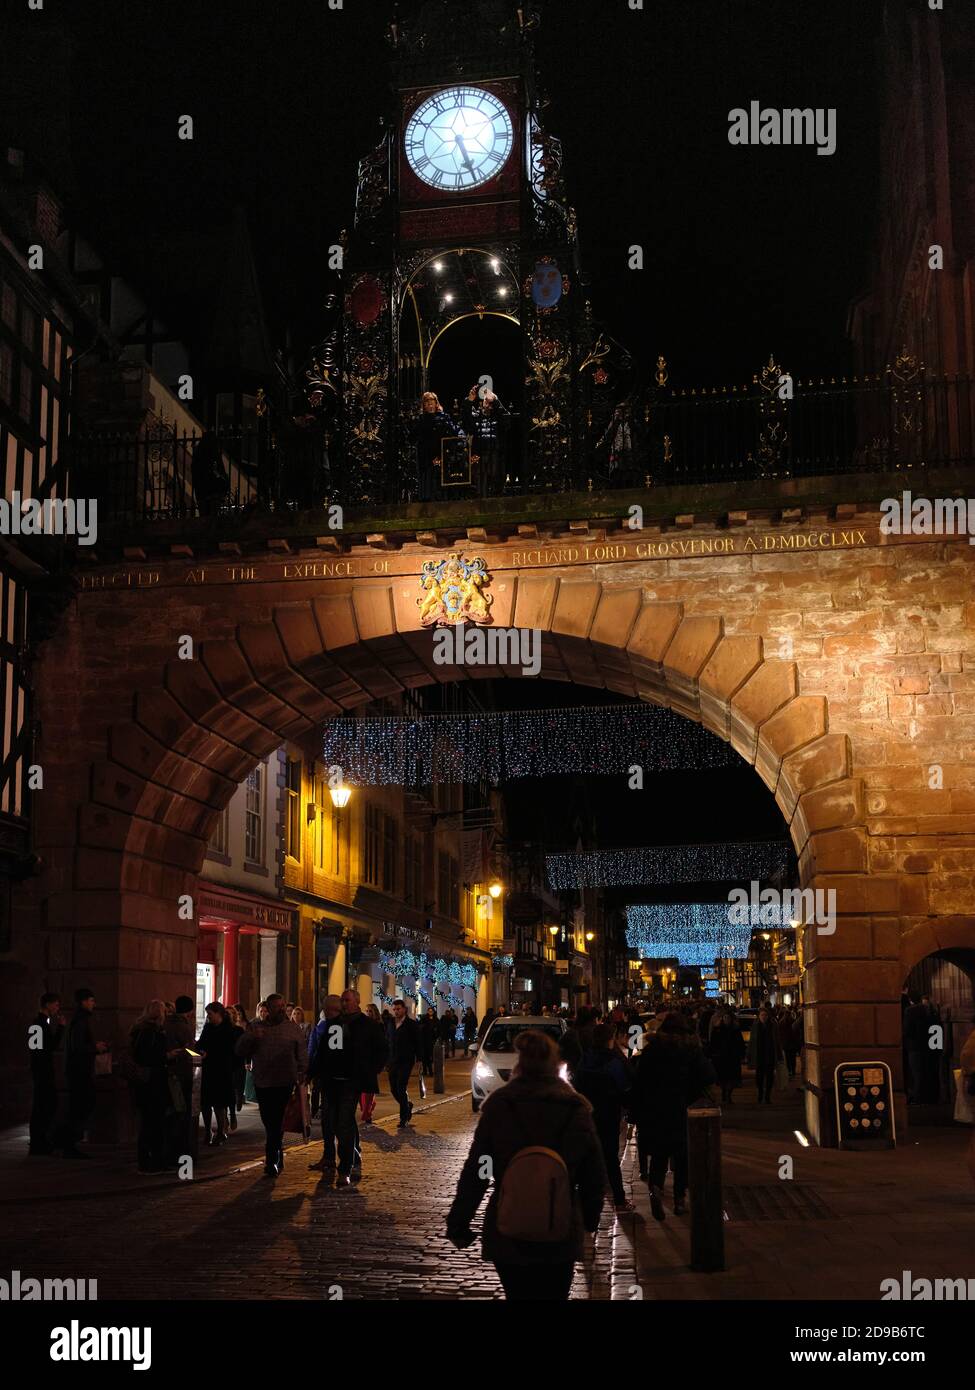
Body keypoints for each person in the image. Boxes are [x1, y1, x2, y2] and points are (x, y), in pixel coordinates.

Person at [447, 1030, 607, 1301]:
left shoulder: (499, 1106)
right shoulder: (574, 1108)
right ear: (556, 1064)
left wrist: (459, 1222)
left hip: (509, 1224)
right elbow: (594, 1175)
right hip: (560, 1226)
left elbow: (478, 1170)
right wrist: (589, 1219)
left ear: (519, 1064)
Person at [633, 1012, 715, 1219]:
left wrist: (639, 1108)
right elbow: (708, 1076)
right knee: (682, 1158)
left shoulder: (652, 1051)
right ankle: (679, 1199)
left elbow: (640, 1081)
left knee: (659, 1155)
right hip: (683, 1111)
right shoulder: (690, 1050)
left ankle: (656, 1190)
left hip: (657, 1111)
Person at [235, 993, 305, 1178]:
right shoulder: (255, 1027)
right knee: (269, 1121)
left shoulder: (292, 1029)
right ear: (269, 1008)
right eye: (277, 1007)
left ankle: (271, 1159)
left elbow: (302, 1054)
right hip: (263, 1082)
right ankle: (277, 1152)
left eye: (283, 1006)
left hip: (285, 1082)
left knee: (278, 1121)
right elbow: (240, 1050)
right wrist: (250, 1037)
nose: (281, 1009)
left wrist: (303, 1073)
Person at [575, 1023, 635, 1213]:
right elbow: (626, 1088)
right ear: (611, 1039)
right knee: (610, 1157)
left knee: (587, 1155)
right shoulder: (614, 1062)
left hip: (588, 1114)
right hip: (609, 1114)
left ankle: (584, 1198)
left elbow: (576, 1085)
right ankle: (618, 1199)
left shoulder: (585, 1059)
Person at [59, 988, 109, 1159]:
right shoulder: (80, 1021)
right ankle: (68, 1143)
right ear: (84, 1002)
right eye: (91, 1000)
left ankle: (68, 1142)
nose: (94, 1004)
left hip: (78, 1070)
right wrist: (95, 1048)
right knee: (81, 1106)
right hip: (79, 1071)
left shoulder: (79, 1020)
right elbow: (78, 1047)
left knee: (80, 1105)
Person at [129, 1000, 173, 1173]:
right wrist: (167, 1055)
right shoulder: (150, 1031)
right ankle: (153, 1162)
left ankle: (147, 1161)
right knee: (154, 1123)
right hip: (153, 1083)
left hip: (146, 1083)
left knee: (149, 1123)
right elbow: (147, 1056)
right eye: (164, 1011)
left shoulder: (140, 1029)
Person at [307, 995, 346, 1175]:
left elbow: (328, 1055)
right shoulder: (341, 1024)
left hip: (334, 1081)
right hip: (339, 1080)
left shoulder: (335, 1026)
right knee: (335, 1121)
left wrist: (311, 1073)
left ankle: (335, 1157)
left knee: (332, 1121)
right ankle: (336, 1155)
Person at [410, 391, 464, 502]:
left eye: (432, 401)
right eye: (427, 402)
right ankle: (425, 499)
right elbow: (412, 437)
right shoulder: (421, 419)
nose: (429, 404)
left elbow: (454, 432)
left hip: (441, 453)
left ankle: (441, 498)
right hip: (425, 454)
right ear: (424, 405)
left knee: (439, 477)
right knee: (426, 477)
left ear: (436, 403)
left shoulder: (443, 417)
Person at [197, 1002, 237, 1145]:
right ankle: (208, 1130)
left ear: (218, 1014)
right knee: (206, 1103)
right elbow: (200, 1043)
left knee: (219, 1103)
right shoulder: (208, 1028)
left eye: (210, 1014)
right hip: (208, 1069)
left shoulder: (229, 1030)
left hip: (222, 1070)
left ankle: (221, 1131)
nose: (208, 1017)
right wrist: (201, 1051)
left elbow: (230, 1050)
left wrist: (211, 1052)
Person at [28, 992, 63, 1156]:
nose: (57, 1007)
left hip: (39, 1071)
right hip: (43, 1072)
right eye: (55, 1004)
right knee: (45, 1106)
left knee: (41, 1106)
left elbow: (35, 1050)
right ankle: (39, 1141)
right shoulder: (41, 1025)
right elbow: (50, 1047)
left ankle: (38, 1141)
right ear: (47, 1005)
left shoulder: (37, 1024)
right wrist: (61, 1028)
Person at [163, 994, 196, 1161]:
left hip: (166, 1072)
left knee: (169, 1112)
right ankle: (180, 1153)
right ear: (190, 1011)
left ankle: (168, 1149)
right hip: (181, 1074)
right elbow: (189, 1049)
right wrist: (197, 1055)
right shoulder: (183, 1027)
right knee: (181, 1112)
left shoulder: (165, 1023)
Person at [462, 386, 509, 497]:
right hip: (478, 451)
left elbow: (506, 420)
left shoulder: (498, 416)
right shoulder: (476, 415)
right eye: (485, 399)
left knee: (494, 475)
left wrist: (496, 400)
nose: (486, 401)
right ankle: (480, 498)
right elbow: (465, 419)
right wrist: (469, 400)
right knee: (479, 477)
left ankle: (496, 497)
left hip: (495, 452)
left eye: (489, 400)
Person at [387, 998, 421, 1128]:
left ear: (404, 1010)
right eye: (394, 1009)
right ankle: (407, 1104)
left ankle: (403, 1117)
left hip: (406, 1060)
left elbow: (418, 1042)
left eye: (398, 1009)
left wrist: (419, 1059)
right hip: (392, 1060)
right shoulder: (390, 1023)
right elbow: (387, 1040)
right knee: (393, 1089)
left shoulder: (411, 1025)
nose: (396, 1011)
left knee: (401, 1087)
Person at [708, 1007, 745, 1105]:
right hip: (721, 1058)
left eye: (728, 1018)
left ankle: (728, 1095)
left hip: (733, 1058)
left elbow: (740, 1043)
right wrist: (713, 1054)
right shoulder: (717, 1029)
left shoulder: (735, 1030)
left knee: (732, 1079)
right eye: (725, 1017)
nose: (726, 1019)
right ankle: (724, 1092)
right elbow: (713, 1043)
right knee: (723, 1078)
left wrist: (742, 1054)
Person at [747, 1004, 782, 1104]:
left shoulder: (773, 1025)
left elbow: (777, 1040)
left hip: (770, 1055)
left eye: (765, 1015)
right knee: (759, 1077)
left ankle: (767, 1096)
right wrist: (749, 1054)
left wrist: (779, 1055)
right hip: (759, 1055)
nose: (764, 1017)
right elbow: (752, 1041)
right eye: (762, 1015)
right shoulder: (755, 1026)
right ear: (759, 1016)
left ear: (768, 1016)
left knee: (770, 1077)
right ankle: (760, 1094)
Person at [227, 1006, 246, 1128]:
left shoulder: (239, 1030)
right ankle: (226, 1116)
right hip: (225, 1063)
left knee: (235, 1087)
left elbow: (243, 1047)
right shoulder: (219, 1029)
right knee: (227, 1090)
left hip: (236, 1062)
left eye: (230, 1014)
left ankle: (232, 1113)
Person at [420, 1007, 438, 1078]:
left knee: (430, 1057)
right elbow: (421, 1027)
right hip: (425, 1040)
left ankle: (430, 1071)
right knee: (425, 1057)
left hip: (432, 1040)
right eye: (429, 1011)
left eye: (431, 1011)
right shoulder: (424, 1019)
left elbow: (438, 1028)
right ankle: (425, 1071)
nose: (430, 1012)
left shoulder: (435, 1019)